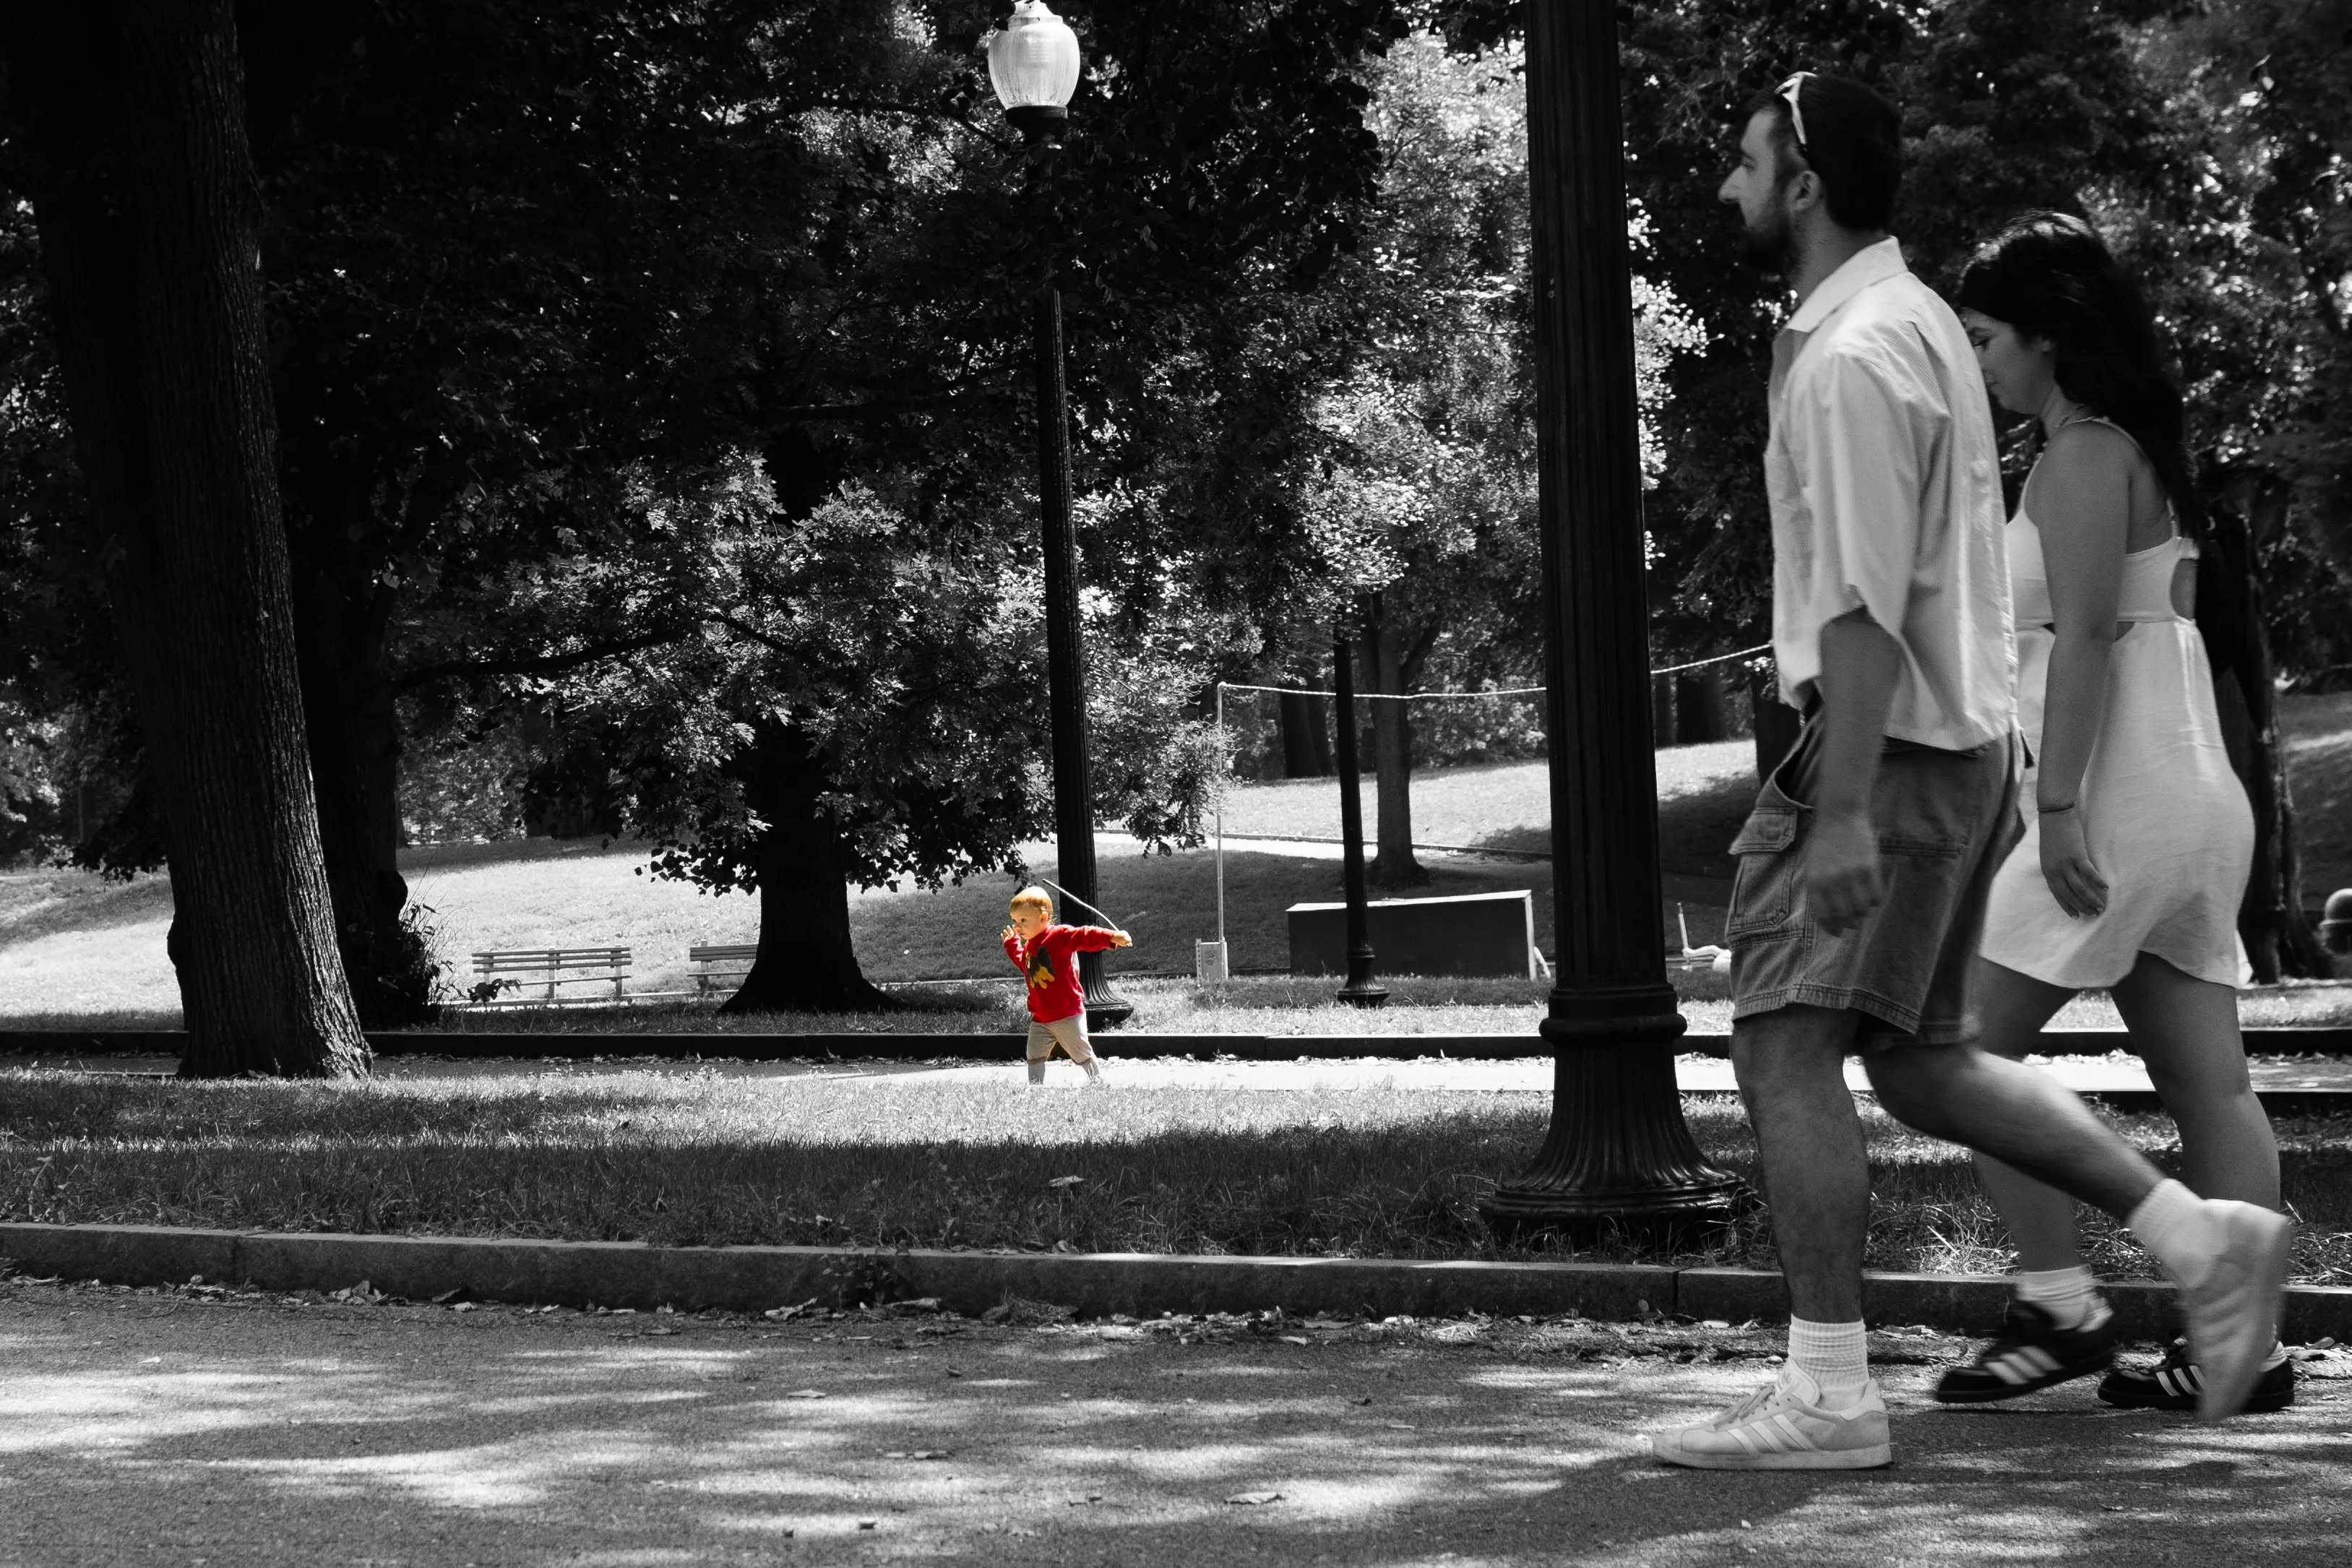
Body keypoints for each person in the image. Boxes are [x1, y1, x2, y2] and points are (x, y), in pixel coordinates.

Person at [1652, 71, 2289, 1470]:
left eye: (1745, 158)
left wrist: (1836, 809)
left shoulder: (1855, 354)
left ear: (1803, 177)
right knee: (1929, 1059)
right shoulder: (1920, 323)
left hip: (1894, 753)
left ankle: (1827, 1392)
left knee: (1782, 1044)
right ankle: (2199, 1233)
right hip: (1959, 749)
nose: (1725, 186)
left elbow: (1866, 600)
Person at [1931, 212, 2286, 1413]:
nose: (1976, 362)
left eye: (1985, 338)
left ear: (2047, 337)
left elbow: (2084, 637)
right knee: (2211, 1086)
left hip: (2122, 800)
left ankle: (2059, 1305)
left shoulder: (2084, 459)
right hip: (2191, 804)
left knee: (1959, 1057)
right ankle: (2246, 1353)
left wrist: (2063, 807)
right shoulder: (2123, 451)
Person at [1001, 885, 1129, 1084]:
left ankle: (1099, 1083)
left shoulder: (1058, 936)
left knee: (1081, 1053)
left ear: (1043, 918)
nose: (1017, 927)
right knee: (1034, 1054)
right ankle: (1036, 1089)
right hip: (1041, 1016)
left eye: (1023, 921)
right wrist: (1012, 945)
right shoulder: (1030, 945)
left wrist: (1111, 937)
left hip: (1067, 1014)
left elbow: (1084, 935)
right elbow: (1027, 967)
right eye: (1015, 921)